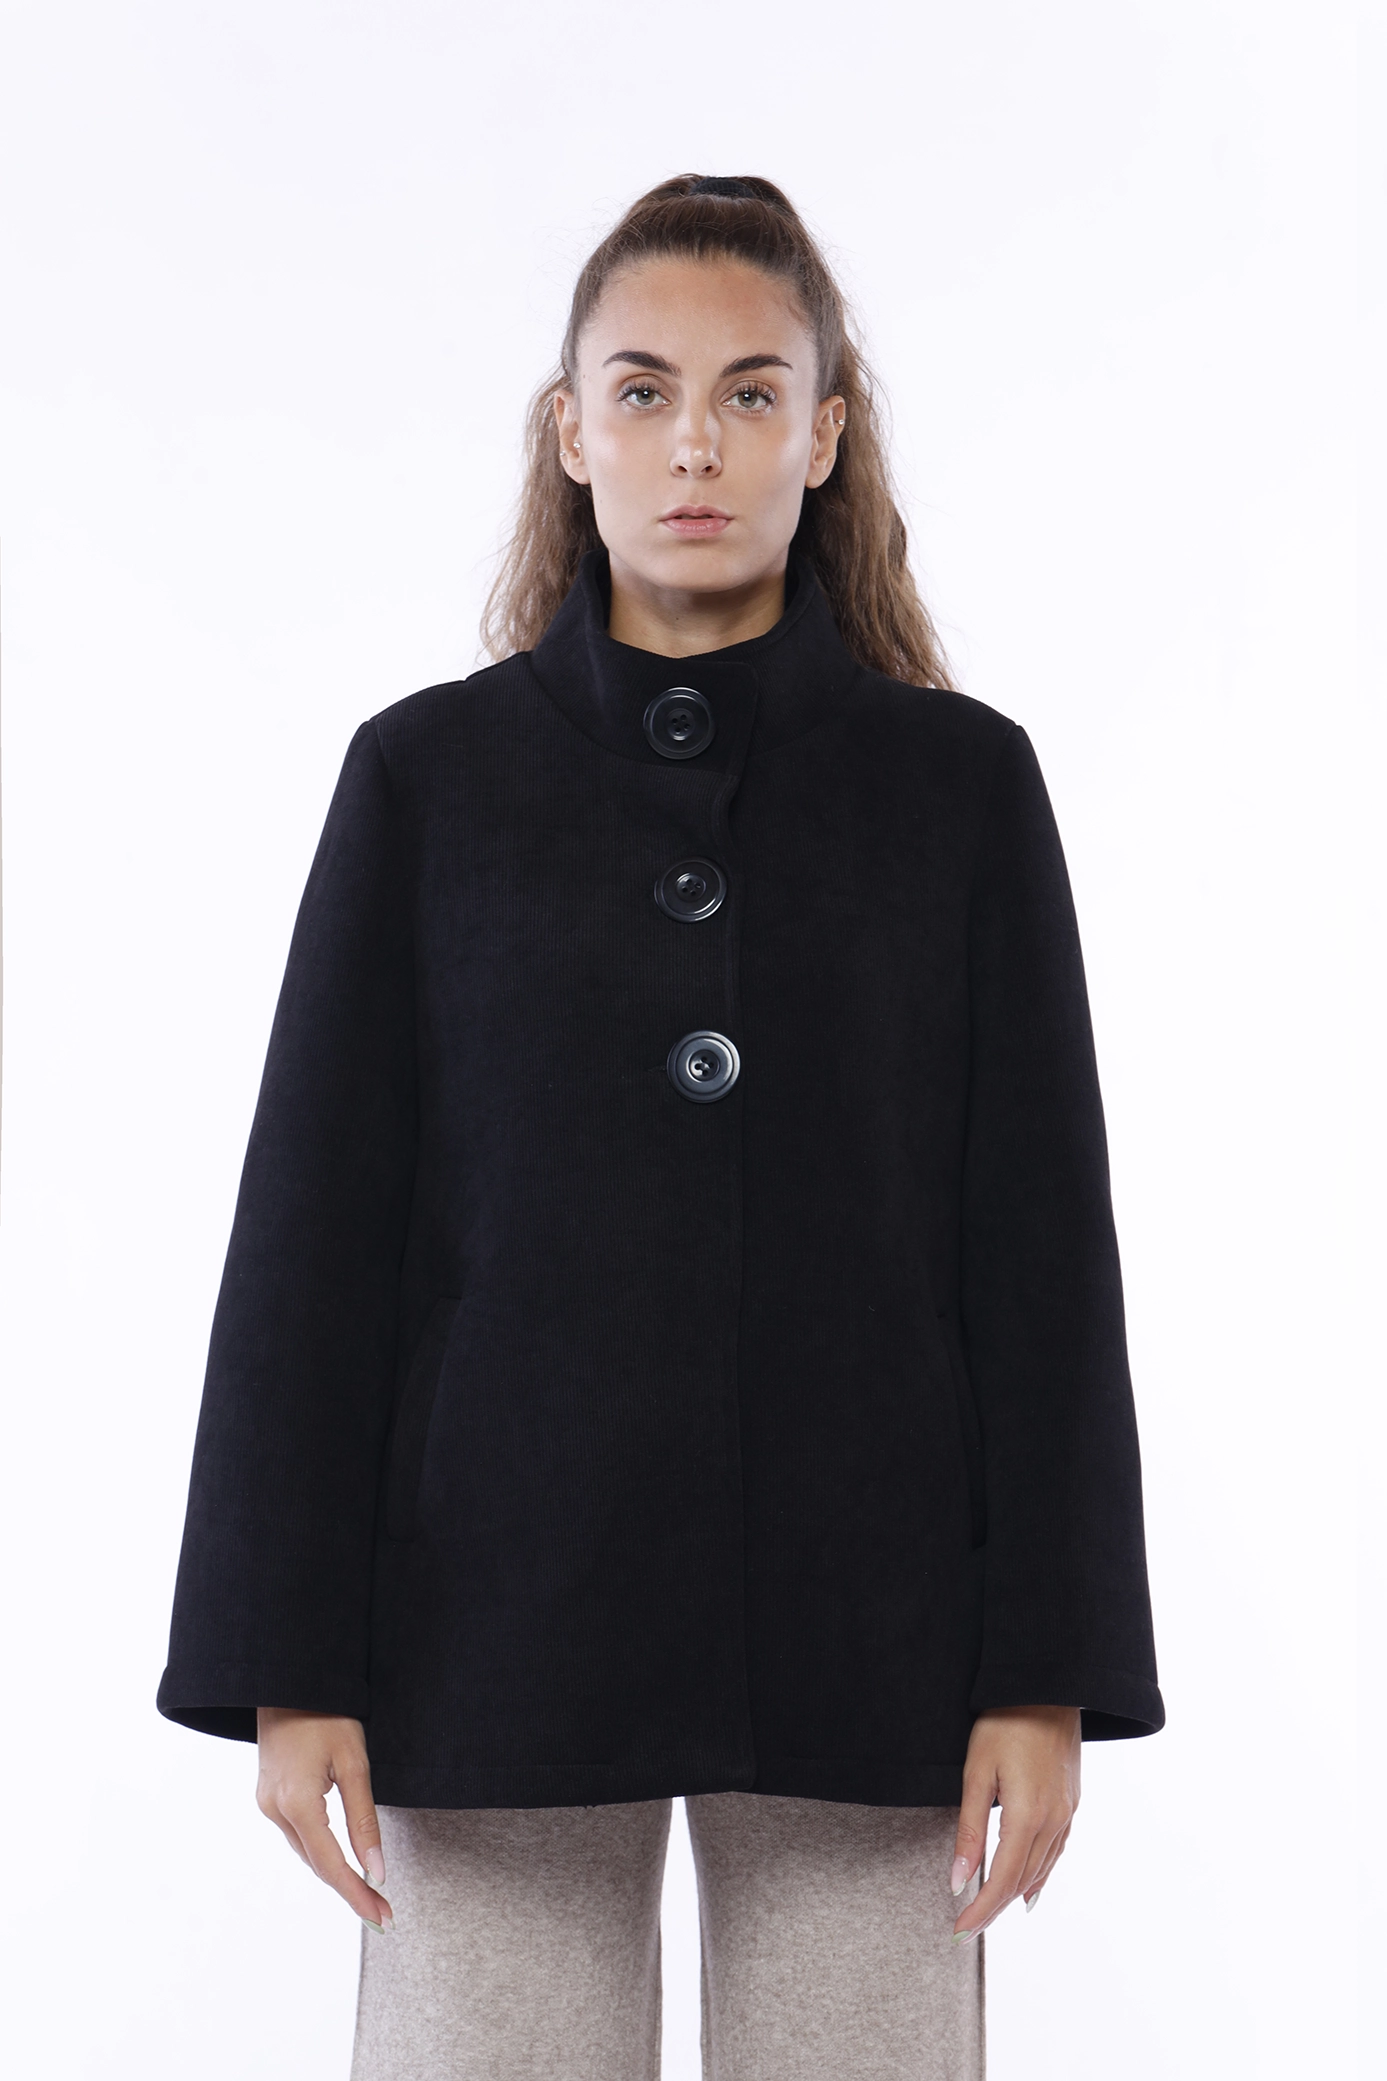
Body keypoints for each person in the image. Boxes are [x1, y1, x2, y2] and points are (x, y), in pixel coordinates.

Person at [158, 174, 1163, 2080]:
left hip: (873, 1620)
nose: (694, 442)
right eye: (640, 391)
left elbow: (1039, 1254)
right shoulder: (428, 781)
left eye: (749, 392)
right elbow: (313, 1238)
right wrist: (286, 1664)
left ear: (824, 433)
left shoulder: (957, 792)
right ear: (569, 431)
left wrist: (1045, 1672)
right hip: (488, 1613)